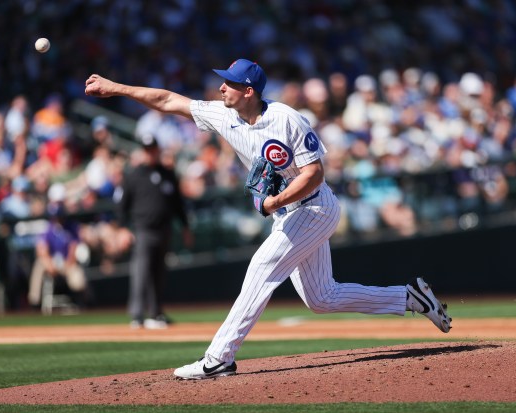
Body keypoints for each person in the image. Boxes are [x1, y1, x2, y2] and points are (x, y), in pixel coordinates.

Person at [85, 58, 452, 380]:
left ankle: (219, 359)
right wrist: (115, 88)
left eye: (228, 82)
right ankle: (410, 298)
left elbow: (315, 174)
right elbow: (168, 100)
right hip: (290, 213)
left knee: (261, 268)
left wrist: (274, 200)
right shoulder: (224, 114)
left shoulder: (286, 118)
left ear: (248, 91)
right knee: (321, 297)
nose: (220, 87)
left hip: (314, 207)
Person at [113, 133, 193, 330]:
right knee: (141, 271)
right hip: (143, 230)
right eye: (147, 150)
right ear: (143, 151)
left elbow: (178, 205)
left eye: (153, 149)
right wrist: (122, 229)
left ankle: (156, 312)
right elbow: (121, 206)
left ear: (158, 150)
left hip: (164, 229)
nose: (150, 153)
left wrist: (185, 227)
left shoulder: (168, 174)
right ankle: (137, 314)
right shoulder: (132, 175)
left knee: (158, 273)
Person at [28, 183, 87, 309]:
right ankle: (34, 304)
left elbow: (74, 246)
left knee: (78, 278)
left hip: (67, 263)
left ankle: (81, 303)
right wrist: (49, 263)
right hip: (51, 261)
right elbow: (41, 248)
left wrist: (69, 263)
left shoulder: (72, 226)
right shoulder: (47, 226)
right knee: (40, 265)